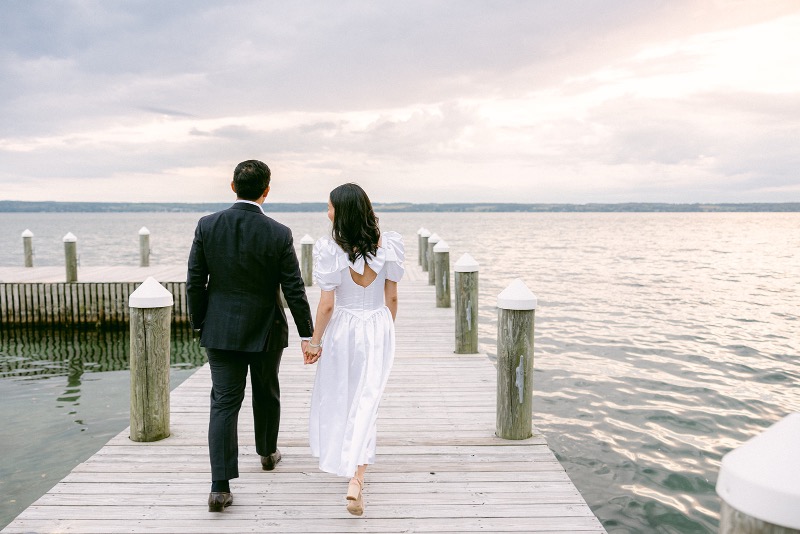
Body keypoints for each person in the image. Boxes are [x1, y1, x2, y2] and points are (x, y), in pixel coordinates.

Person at [186, 160, 314, 512]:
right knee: (266, 390)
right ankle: (268, 453)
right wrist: (308, 333)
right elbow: (293, 287)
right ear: (266, 190)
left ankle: (219, 487)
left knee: (224, 402)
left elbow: (195, 280)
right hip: (265, 327)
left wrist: (199, 322)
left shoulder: (207, 225)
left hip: (220, 328)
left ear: (232, 187)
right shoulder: (278, 232)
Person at [303, 183, 404, 516]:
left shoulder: (329, 249)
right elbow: (391, 298)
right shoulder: (389, 244)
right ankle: (357, 478)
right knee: (368, 398)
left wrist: (315, 342)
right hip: (377, 324)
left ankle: (352, 471)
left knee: (342, 395)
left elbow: (327, 305)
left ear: (341, 212)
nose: (327, 212)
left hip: (343, 328)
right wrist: (385, 331)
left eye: (330, 206)